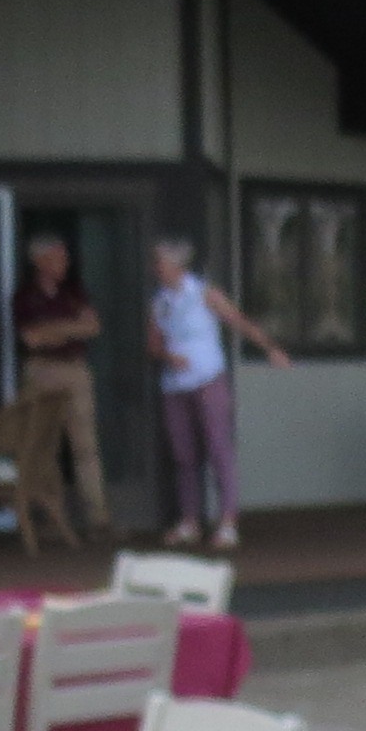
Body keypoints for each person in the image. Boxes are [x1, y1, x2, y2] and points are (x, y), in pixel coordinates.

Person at [145, 235, 288, 549]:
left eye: (160, 262)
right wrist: (170, 357)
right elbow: (153, 344)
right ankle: (190, 522)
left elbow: (238, 321)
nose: (156, 268)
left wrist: (271, 349)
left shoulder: (204, 293)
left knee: (218, 447)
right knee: (183, 453)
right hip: (174, 384)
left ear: (175, 265)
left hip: (208, 378)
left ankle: (228, 521)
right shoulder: (160, 300)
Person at [10, 232, 110, 544]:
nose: (64, 263)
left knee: (85, 446)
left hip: (75, 370)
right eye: (57, 257)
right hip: (40, 371)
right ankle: (55, 520)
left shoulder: (74, 292)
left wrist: (54, 329)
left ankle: (99, 520)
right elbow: (31, 339)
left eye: (65, 257)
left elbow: (93, 327)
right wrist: (71, 328)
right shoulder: (25, 296)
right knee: (45, 445)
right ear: (39, 261)